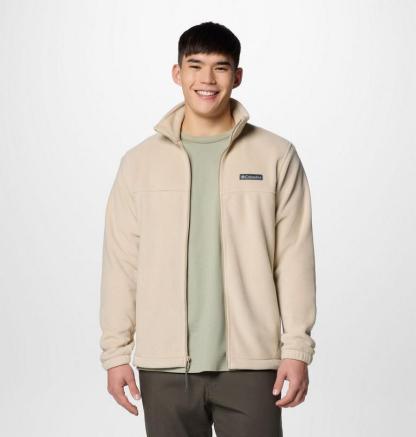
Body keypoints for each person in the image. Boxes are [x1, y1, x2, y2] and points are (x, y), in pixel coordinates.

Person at [99, 21, 317, 437]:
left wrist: (297, 348)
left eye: (221, 67)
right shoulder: (139, 163)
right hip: (164, 366)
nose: (207, 79)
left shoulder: (275, 155)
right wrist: (115, 353)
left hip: (252, 363)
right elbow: (122, 263)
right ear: (177, 73)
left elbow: (293, 258)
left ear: (237, 76)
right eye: (195, 66)